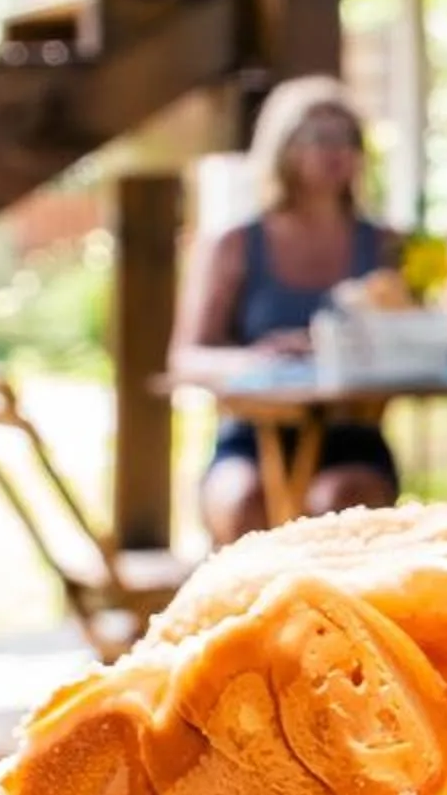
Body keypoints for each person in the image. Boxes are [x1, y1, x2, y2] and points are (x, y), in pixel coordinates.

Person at [173, 76, 404, 544]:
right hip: (253, 435)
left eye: (347, 138)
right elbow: (185, 357)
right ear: (283, 147)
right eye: (319, 137)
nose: (335, 151)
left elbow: (418, 335)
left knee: (340, 506)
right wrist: (257, 358)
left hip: (352, 433)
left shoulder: (385, 247)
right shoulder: (235, 244)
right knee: (244, 502)